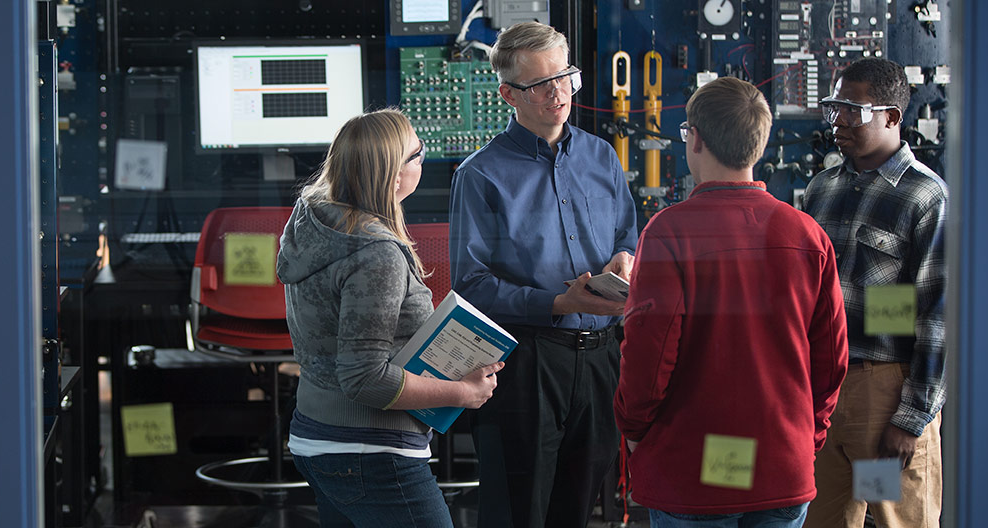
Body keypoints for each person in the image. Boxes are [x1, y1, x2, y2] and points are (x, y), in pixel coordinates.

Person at [613, 77, 849, 527]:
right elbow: (833, 359)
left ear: (696, 138)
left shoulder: (669, 232)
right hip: (781, 465)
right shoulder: (807, 234)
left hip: (693, 471)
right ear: (759, 144)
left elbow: (649, 354)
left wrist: (632, 427)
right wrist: (805, 437)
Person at [449, 21, 638, 528]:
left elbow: (627, 236)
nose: (558, 93)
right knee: (518, 512)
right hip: (524, 364)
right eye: (540, 84)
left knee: (578, 509)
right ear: (509, 93)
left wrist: (624, 261)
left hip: (602, 361)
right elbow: (470, 285)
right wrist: (560, 303)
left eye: (564, 76)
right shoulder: (480, 175)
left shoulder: (602, 156)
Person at [277, 108, 505, 528]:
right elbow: (364, 378)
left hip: (316, 436)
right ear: (392, 176)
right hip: (369, 450)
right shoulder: (375, 252)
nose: (424, 158)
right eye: (417, 153)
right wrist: (461, 393)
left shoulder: (312, 217)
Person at [799, 58, 948, 528]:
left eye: (853, 109)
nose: (839, 120)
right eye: (833, 107)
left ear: (891, 117)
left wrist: (911, 417)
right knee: (825, 520)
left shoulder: (923, 197)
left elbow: (936, 316)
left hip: (882, 394)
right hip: (825, 395)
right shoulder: (821, 190)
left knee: (894, 521)